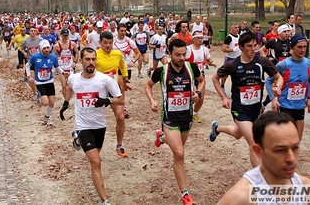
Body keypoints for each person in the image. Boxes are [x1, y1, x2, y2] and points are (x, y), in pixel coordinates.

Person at [144, 38, 205, 205]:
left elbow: (202, 81)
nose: (181, 58)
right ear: (169, 54)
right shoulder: (162, 71)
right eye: (177, 55)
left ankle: (161, 137)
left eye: (184, 54)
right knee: (179, 154)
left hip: (187, 118)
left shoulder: (191, 68)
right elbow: (147, 86)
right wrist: (152, 101)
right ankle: (185, 194)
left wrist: (198, 94)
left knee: (179, 150)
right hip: (170, 119)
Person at [210, 31, 283, 167]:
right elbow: (214, 78)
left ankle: (217, 128)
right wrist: (223, 98)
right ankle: (259, 180)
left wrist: (277, 89)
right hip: (240, 109)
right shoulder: (233, 64)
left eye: (255, 45)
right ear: (241, 47)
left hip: (256, 110)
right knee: (254, 143)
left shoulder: (262, 62)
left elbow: (279, 77)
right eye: (249, 46)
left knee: (238, 134)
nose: (253, 49)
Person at [64, 47, 123, 205]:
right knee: (96, 162)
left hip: (99, 126)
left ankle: (77, 141)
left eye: (93, 59)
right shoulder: (74, 78)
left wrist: (107, 101)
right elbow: (70, 88)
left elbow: (121, 99)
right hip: (83, 125)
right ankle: (105, 200)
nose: (91, 62)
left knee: (94, 158)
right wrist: (65, 103)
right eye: (87, 59)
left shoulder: (105, 80)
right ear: (81, 60)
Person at [217, 111, 310, 205]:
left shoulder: (307, 187)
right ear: (258, 151)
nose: (291, 158)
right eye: (280, 150)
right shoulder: (243, 196)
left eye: (295, 148)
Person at [83, 31, 132, 157]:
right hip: (98, 92)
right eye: (105, 43)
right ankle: (82, 137)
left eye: (110, 43)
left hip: (113, 91)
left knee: (120, 117)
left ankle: (119, 145)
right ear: (100, 43)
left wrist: (126, 80)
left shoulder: (117, 54)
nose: (108, 45)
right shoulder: (95, 55)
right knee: (91, 120)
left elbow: (123, 66)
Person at [265, 35, 310, 140]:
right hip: (285, 107)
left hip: (300, 107)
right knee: (285, 139)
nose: (302, 50)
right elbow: (268, 81)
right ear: (292, 48)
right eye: (299, 47)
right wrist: (273, 99)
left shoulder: (309, 63)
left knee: (297, 140)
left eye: (305, 47)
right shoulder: (283, 65)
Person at [26, 40, 65, 126]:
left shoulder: (53, 57)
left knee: (51, 102)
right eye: (44, 48)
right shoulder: (35, 57)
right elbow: (27, 65)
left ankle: (47, 117)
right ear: (41, 49)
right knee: (45, 103)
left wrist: (63, 73)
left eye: (48, 48)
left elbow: (57, 68)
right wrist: (29, 76)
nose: (46, 50)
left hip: (50, 81)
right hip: (39, 83)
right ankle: (39, 97)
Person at [186, 31, 216, 123]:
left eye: (201, 38)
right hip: (190, 76)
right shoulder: (188, 49)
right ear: (193, 39)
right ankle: (186, 112)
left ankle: (194, 113)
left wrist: (212, 63)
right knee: (192, 96)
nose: (200, 40)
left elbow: (208, 60)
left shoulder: (205, 50)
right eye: (198, 38)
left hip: (201, 76)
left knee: (201, 98)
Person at [53, 28, 79, 99]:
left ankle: (69, 97)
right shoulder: (57, 45)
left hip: (70, 67)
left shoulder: (72, 44)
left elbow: (77, 52)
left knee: (71, 84)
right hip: (61, 67)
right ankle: (66, 100)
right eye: (64, 35)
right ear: (61, 35)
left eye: (66, 35)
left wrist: (75, 61)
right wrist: (55, 64)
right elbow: (52, 55)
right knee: (64, 85)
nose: (65, 37)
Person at [21, 25, 43, 102]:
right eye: (32, 31)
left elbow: (45, 48)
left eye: (34, 30)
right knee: (31, 78)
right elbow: (22, 48)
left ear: (36, 31)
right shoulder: (26, 41)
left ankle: (42, 92)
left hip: (40, 61)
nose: (33, 32)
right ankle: (35, 93)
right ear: (29, 32)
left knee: (40, 78)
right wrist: (24, 53)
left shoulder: (40, 40)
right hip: (31, 61)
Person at [220, 22, 241, 95]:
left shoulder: (239, 36)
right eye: (235, 28)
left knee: (237, 75)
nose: (237, 29)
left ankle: (235, 89)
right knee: (225, 75)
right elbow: (224, 49)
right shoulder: (229, 37)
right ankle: (222, 86)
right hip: (230, 59)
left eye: (238, 27)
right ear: (231, 29)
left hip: (238, 59)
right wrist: (232, 50)